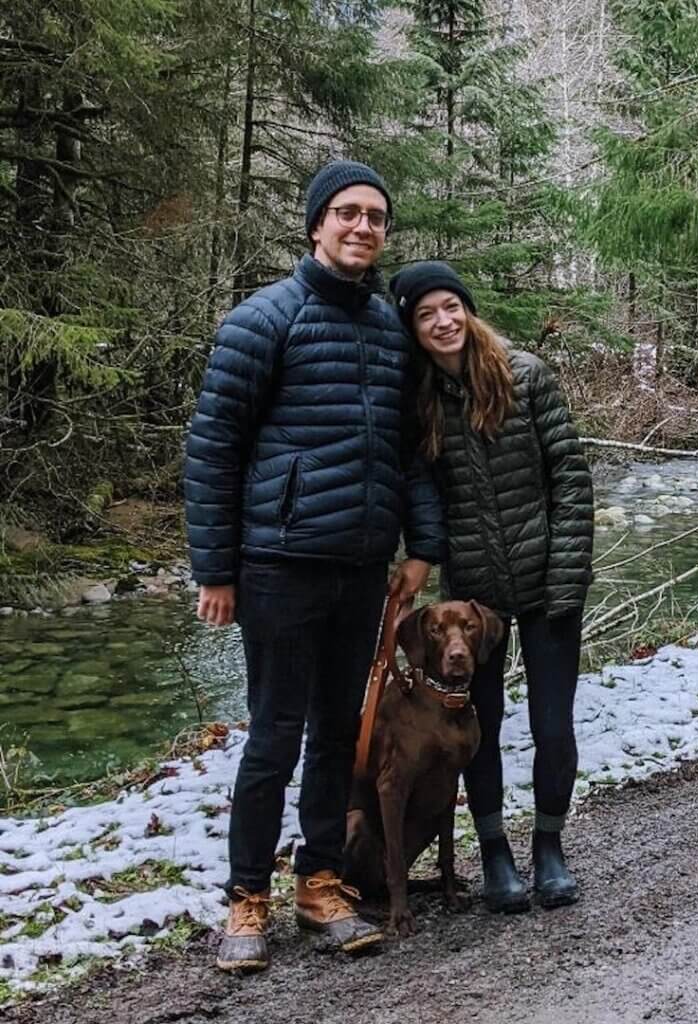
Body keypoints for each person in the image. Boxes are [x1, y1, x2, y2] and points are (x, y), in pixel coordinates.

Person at [184, 161, 444, 972]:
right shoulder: (265, 319)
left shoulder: (384, 330)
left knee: (340, 734)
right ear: (315, 226)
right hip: (279, 564)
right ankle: (246, 898)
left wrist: (420, 549)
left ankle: (321, 883)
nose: (362, 227)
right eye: (347, 214)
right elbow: (213, 449)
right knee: (274, 735)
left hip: (364, 567)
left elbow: (409, 455)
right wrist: (215, 570)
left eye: (375, 216)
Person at [388, 261, 594, 911]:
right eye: (426, 315)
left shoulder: (525, 375)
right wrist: (426, 566)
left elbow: (570, 476)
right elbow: (421, 496)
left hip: (547, 585)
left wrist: (566, 573)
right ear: (415, 332)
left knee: (553, 726)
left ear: (468, 310)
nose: (443, 322)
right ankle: (496, 854)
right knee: (477, 731)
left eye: (451, 307)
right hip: (474, 600)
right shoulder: (421, 402)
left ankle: (549, 848)